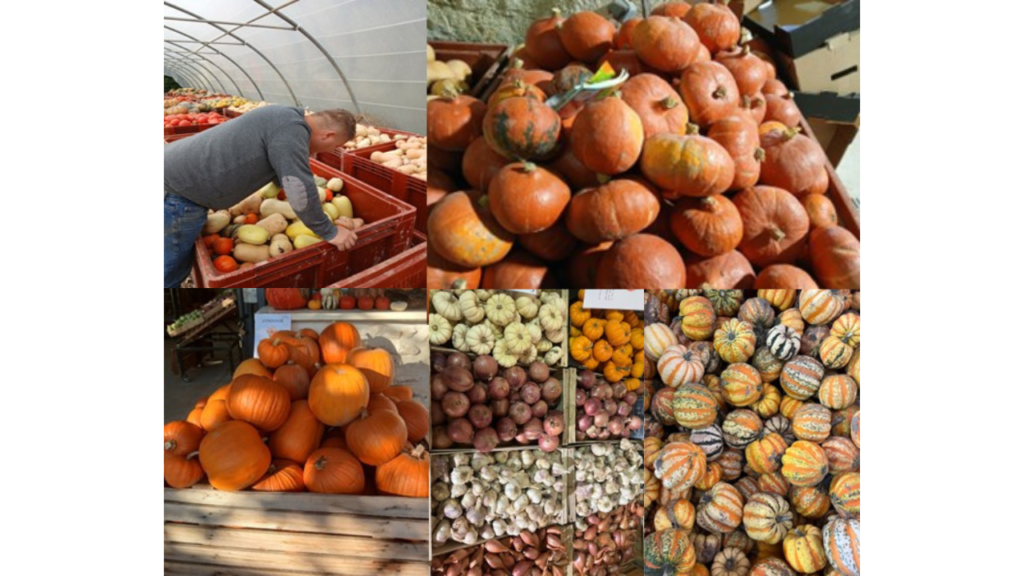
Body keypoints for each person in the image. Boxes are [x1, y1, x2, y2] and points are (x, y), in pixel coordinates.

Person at [164, 106, 359, 287]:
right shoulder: (292, 133)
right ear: (328, 135)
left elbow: (270, 158)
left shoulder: (285, 114)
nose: (330, 150)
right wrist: (329, 232)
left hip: (173, 175)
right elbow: (299, 188)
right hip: (179, 194)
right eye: (335, 145)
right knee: (170, 269)